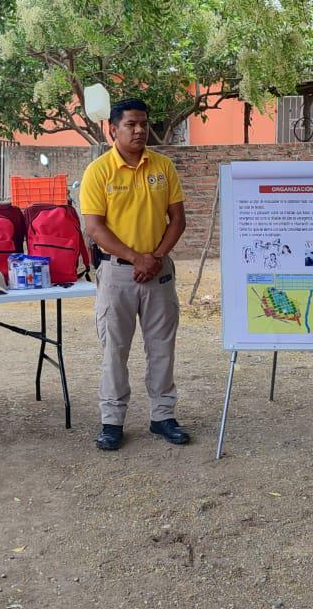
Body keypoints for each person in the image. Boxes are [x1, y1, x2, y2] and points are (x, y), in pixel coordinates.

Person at [80, 98, 188, 451]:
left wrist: (154, 257)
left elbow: (178, 220)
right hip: (117, 275)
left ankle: (163, 416)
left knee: (161, 349)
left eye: (143, 123)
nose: (140, 130)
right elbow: (95, 228)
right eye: (131, 124)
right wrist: (134, 258)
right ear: (113, 129)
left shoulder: (163, 167)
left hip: (158, 273)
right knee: (115, 350)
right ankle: (112, 421)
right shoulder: (99, 171)